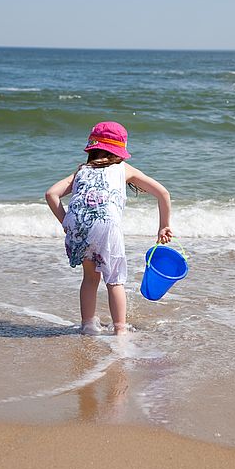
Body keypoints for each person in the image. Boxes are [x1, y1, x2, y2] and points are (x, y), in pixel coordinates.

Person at [45, 121, 172, 335]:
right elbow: (163, 193)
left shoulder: (82, 170)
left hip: (79, 226)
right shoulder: (123, 168)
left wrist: (67, 223)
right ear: (119, 150)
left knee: (90, 278)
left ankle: (87, 326)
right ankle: (120, 330)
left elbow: (51, 194)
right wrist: (164, 226)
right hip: (105, 226)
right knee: (114, 280)